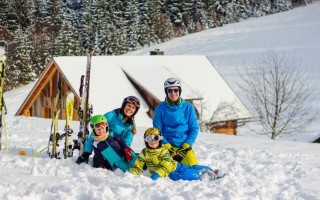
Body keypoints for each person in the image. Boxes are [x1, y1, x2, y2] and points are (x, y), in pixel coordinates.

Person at [130, 128, 224, 181]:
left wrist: (157, 174)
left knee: (187, 171)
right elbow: (139, 162)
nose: (153, 141)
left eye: (156, 137)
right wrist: (134, 172)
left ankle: (202, 173)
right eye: (149, 138)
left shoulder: (164, 151)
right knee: (176, 175)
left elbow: (165, 165)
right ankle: (202, 171)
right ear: (146, 141)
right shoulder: (144, 152)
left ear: (160, 139)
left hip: (174, 166)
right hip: (168, 171)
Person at [153, 77, 199, 166]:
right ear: (166, 92)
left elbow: (194, 128)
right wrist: (166, 145)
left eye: (175, 90)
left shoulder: (188, 107)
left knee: (192, 165)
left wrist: (186, 145)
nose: (173, 93)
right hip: (167, 145)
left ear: (179, 91)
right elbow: (157, 131)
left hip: (183, 146)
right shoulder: (160, 109)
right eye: (169, 91)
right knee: (168, 168)